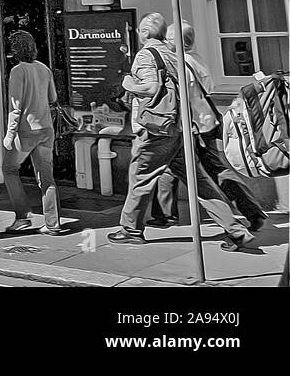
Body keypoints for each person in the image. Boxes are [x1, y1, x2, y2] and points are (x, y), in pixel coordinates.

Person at [109, 13, 255, 250]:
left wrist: (128, 84)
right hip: (179, 127)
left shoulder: (147, 54)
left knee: (141, 178)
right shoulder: (173, 55)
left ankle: (130, 229)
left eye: (139, 30)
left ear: (145, 32)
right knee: (199, 182)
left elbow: (150, 87)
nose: (137, 34)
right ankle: (237, 231)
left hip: (157, 130)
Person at [149, 21, 266, 233]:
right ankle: (251, 211)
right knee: (208, 169)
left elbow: (180, 98)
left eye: (167, 39)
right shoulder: (198, 61)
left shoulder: (179, 63)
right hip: (206, 123)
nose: (164, 43)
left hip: (192, 127)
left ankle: (233, 225)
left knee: (202, 175)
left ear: (177, 42)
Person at [0, 30, 67, 234]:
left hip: (26, 131)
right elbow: (53, 97)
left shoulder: (18, 71)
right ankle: (53, 223)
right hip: (46, 129)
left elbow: (16, 106)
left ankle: (23, 217)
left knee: (9, 169)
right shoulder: (44, 68)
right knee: (46, 177)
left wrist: (9, 135)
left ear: (15, 50)